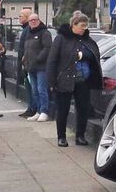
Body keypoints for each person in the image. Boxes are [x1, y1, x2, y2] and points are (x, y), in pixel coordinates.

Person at [47, 12, 101, 147]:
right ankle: (61, 137)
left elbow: (95, 54)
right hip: (64, 80)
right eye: (82, 26)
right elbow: (52, 60)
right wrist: (51, 81)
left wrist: (83, 55)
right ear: (73, 25)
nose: (84, 28)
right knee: (63, 110)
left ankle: (80, 136)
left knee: (82, 109)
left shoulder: (88, 40)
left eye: (86, 26)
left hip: (83, 81)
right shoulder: (61, 39)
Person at [22, 13, 53, 122]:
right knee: (34, 90)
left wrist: (38, 59)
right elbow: (27, 49)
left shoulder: (44, 33)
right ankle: (39, 111)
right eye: (31, 20)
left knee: (41, 89)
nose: (33, 22)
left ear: (39, 20)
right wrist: (25, 59)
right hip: (31, 67)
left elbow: (48, 48)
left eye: (35, 20)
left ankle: (45, 111)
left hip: (41, 67)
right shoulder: (28, 34)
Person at [16, 8, 36, 118]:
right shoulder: (25, 29)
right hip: (25, 62)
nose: (19, 18)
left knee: (31, 86)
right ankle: (30, 107)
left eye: (21, 16)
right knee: (28, 86)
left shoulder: (28, 29)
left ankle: (32, 108)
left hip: (28, 63)